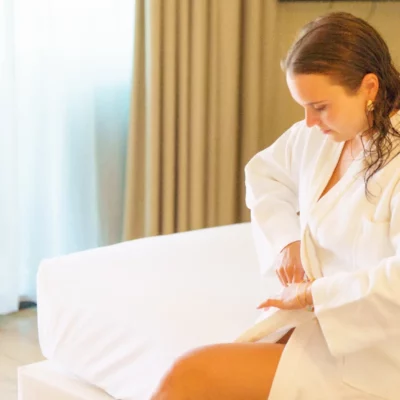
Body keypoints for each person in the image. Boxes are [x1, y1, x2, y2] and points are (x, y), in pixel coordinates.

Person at [151, 11, 400, 400]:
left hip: (375, 349)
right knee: (188, 375)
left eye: (320, 106)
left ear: (369, 87)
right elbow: (264, 175)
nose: (309, 121)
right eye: (303, 106)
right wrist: (286, 241)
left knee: (188, 377)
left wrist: (310, 294)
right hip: (319, 324)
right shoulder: (321, 135)